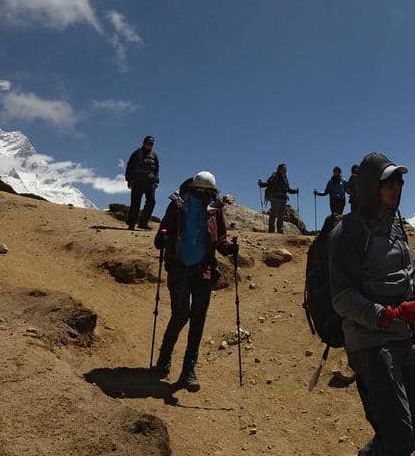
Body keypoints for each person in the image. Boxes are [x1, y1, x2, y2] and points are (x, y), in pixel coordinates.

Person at [329, 153, 415, 456]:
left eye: (399, 183)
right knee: (399, 438)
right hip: (371, 344)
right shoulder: (348, 232)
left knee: (410, 436)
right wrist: (390, 315)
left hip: (406, 337)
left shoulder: (395, 227)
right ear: (368, 187)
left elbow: (410, 282)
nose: (396, 189)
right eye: (387, 184)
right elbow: (343, 298)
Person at [152, 171, 239, 391]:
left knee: (198, 319)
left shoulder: (214, 211)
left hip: (204, 272)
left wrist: (230, 248)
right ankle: (164, 358)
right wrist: (162, 236)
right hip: (180, 270)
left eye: (208, 192)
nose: (204, 195)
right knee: (181, 316)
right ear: (193, 189)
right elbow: (163, 231)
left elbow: (220, 239)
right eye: (201, 191)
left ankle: (188, 369)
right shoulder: (178, 206)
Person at [124, 136, 160, 230]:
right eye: (148, 143)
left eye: (151, 144)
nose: (149, 145)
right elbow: (130, 167)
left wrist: (156, 181)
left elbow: (156, 169)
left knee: (151, 202)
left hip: (150, 182)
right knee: (135, 203)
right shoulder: (136, 153)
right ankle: (131, 224)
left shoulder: (154, 155)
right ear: (144, 143)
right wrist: (128, 180)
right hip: (137, 182)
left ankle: (143, 223)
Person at [258, 163, 298, 233]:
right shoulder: (275, 176)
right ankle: (271, 230)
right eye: (284, 169)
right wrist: (261, 184)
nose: (285, 170)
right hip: (275, 197)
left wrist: (295, 191)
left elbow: (288, 189)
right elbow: (268, 183)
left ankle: (280, 230)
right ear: (279, 169)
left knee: (281, 215)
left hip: (283, 198)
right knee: (274, 214)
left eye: (285, 169)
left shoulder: (285, 178)